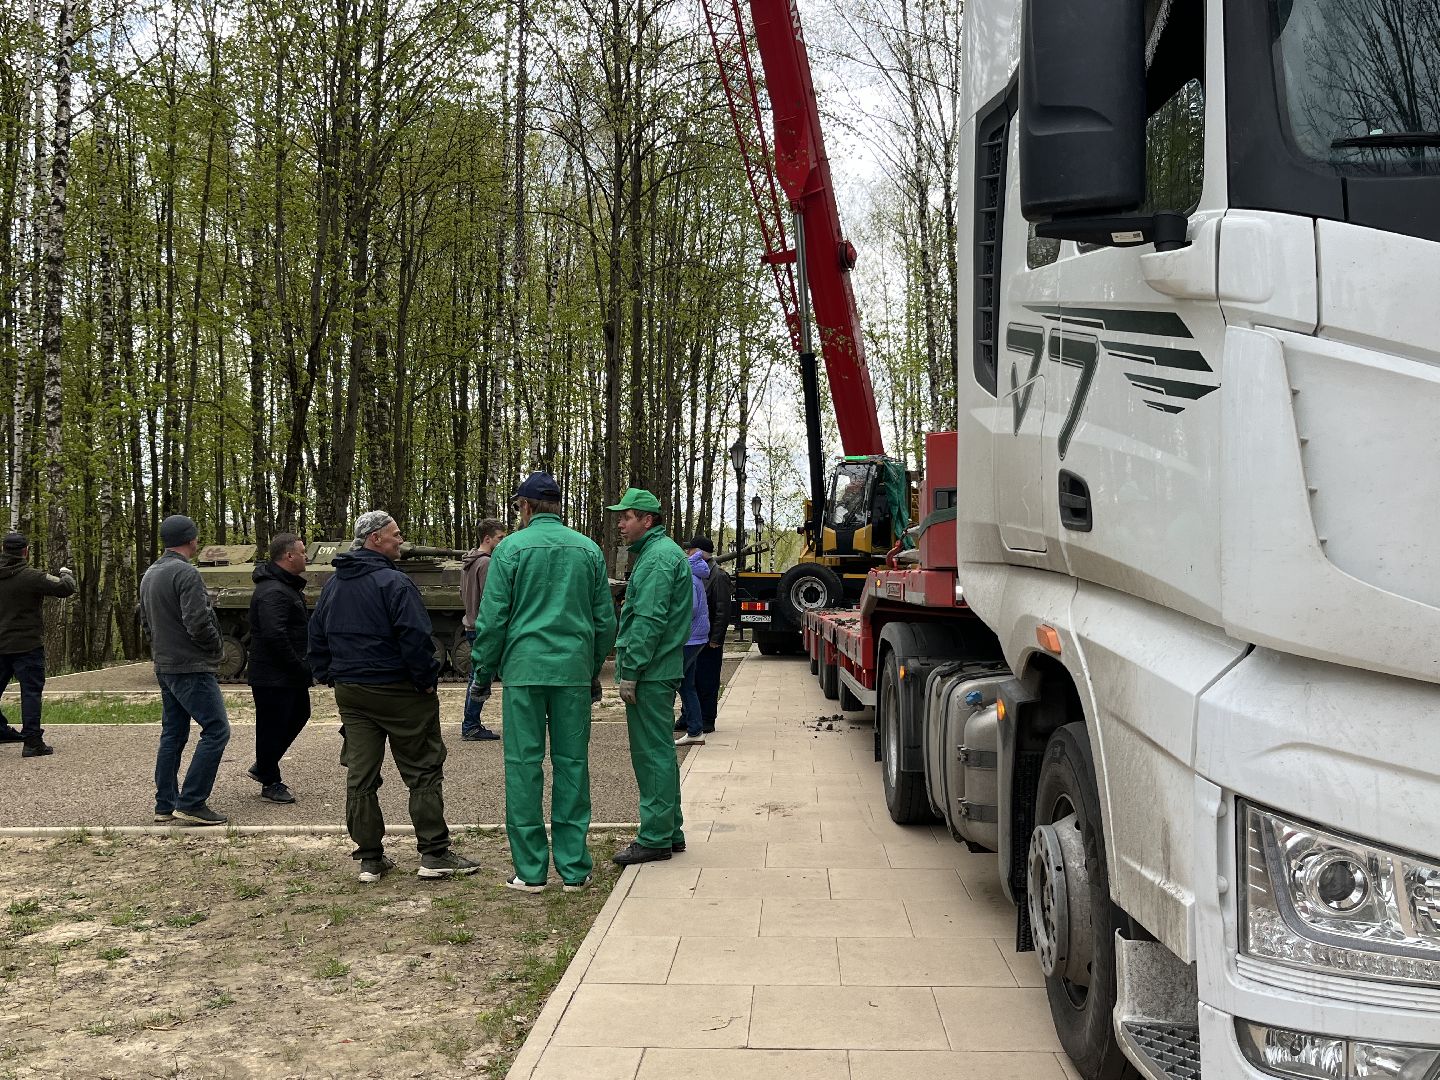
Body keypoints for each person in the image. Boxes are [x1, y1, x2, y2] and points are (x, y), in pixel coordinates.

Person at [308, 510, 478, 883]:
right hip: (399, 691)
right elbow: (416, 638)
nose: (401, 540)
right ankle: (434, 853)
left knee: (361, 773)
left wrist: (328, 674)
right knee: (422, 769)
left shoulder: (335, 584)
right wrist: (425, 681)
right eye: (395, 534)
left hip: (352, 693)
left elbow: (317, 633)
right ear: (375, 540)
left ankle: (370, 858)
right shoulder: (395, 583)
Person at [471, 473, 616, 893]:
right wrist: (589, 669)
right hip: (571, 672)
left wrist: (483, 672)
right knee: (572, 766)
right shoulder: (588, 549)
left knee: (523, 767)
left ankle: (531, 871)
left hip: (523, 672)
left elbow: (493, 618)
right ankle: (574, 867)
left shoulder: (510, 549)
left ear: (526, 507)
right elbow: (605, 622)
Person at [607, 488, 693, 865]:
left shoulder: (657, 559)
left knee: (651, 754)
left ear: (648, 520)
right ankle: (669, 830)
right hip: (658, 669)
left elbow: (649, 619)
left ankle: (656, 836)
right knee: (659, 751)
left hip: (651, 672)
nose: (621, 524)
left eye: (627, 517)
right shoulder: (659, 554)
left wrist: (632, 670)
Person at [138, 515, 231, 825]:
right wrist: (217, 650)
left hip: (165, 664)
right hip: (191, 666)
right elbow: (198, 621)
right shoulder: (186, 574)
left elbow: (145, 622)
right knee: (217, 730)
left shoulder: (150, 573)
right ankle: (192, 800)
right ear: (191, 540)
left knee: (173, 734)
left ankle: (164, 804)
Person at [245, 533, 312, 804]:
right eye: (303, 551)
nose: (307, 556)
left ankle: (264, 765)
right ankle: (270, 780)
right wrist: (298, 667)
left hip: (285, 674)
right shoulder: (273, 590)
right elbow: (275, 636)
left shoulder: (284, 587)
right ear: (289, 556)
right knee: (272, 725)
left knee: (299, 714)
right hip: (274, 675)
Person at [0, 531, 76, 757]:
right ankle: (32, 741)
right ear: (25, 552)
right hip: (27, 646)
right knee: (30, 692)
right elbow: (65, 588)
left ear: (3, 550)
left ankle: (0, 730)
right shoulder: (32, 576)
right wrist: (66, 574)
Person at [459, 520, 505, 742]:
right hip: (482, 627)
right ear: (487, 539)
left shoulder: (468, 562)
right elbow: (491, 598)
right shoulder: (486, 563)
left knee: (476, 676)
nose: (502, 542)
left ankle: (471, 723)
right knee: (480, 678)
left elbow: (462, 593)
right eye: (499, 538)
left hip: (470, 624)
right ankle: (471, 725)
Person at [684, 536, 730, 735]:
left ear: (700, 552)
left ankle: (707, 719)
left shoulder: (718, 576)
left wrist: (716, 639)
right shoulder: (697, 572)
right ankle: (688, 716)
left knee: (708, 679)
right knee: (690, 679)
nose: (687, 553)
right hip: (695, 636)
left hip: (709, 638)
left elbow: (722, 610)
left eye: (691, 549)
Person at [673, 545, 710, 746]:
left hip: (689, 638)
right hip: (697, 637)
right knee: (687, 684)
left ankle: (691, 728)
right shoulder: (696, 575)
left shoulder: (688, 577)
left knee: (671, 679)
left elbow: (691, 607)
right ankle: (695, 729)